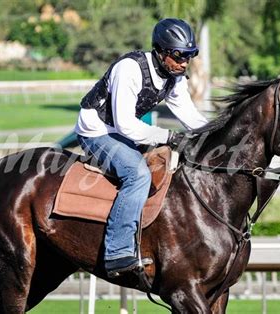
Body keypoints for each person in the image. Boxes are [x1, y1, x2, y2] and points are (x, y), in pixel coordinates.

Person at [74, 18, 208, 277]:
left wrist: (218, 136)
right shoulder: (129, 69)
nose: (184, 63)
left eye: (189, 56)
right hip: (96, 131)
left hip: (125, 133)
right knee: (137, 174)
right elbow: (126, 125)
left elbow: (190, 117)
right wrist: (168, 136)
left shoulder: (174, 77)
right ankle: (117, 251)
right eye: (179, 56)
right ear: (160, 51)